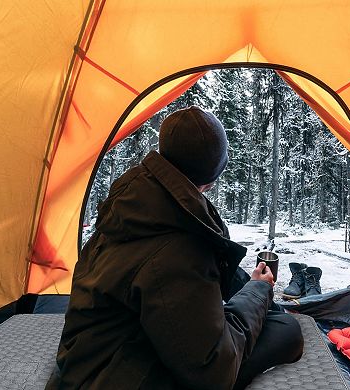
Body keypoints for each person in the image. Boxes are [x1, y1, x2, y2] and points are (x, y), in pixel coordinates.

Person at [46, 106, 303, 390]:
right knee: (286, 330)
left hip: (83, 360)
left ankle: (254, 292)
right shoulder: (181, 246)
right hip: (110, 378)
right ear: (211, 178)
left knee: (254, 306)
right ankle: (259, 292)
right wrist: (259, 291)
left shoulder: (133, 202)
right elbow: (214, 372)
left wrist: (247, 287)